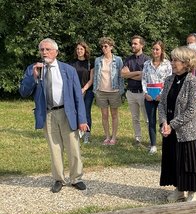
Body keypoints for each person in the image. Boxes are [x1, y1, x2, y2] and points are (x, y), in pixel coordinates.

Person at [19, 38, 88, 193]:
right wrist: (33, 76)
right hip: (48, 114)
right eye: (42, 49)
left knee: (73, 147)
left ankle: (76, 178)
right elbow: (24, 92)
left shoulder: (68, 70)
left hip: (67, 113)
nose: (44, 52)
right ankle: (59, 179)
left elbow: (78, 96)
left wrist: (82, 119)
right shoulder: (34, 69)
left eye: (48, 49)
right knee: (54, 148)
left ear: (56, 52)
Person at [158, 46, 196, 202]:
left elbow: (192, 110)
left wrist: (172, 124)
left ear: (186, 63)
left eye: (175, 60)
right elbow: (162, 104)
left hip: (187, 132)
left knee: (188, 162)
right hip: (170, 130)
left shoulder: (193, 83)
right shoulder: (169, 80)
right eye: (172, 59)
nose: (172, 63)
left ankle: (192, 191)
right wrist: (164, 123)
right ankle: (179, 189)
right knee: (174, 160)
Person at [142, 40, 172, 155]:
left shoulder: (167, 64)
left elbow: (169, 80)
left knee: (164, 120)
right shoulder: (146, 64)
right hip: (149, 95)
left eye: (157, 49)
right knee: (151, 120)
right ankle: (153, 145)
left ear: (162, 51)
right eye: (153, 49)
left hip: (162, 96)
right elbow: (144, 79)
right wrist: (145, 93)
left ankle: (166, 143)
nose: (155, 51)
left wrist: (163, 94)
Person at [93, 37, 124, 145]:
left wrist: (120, 90)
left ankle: (114, 137)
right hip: (101, 91)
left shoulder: (118, 60)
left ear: (111, 47)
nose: (103, 48)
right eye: (102, 46)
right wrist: (95, 89)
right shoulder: (98, 60)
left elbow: (121, 76)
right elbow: (96, 75)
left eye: (105, 46)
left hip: (114, 91)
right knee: (104, 115)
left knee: (114, 115)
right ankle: (107, 136)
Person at [121, 35, 150, 145]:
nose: (132, 45)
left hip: (143, 93)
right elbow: (122, 74)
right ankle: (138, 138)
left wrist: (129, 75)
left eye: (135, 43)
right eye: (132, 43)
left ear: (141, 45)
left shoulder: (147, 60)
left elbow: (145, 76)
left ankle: (151, 139)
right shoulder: (128, 59)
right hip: (131, 93)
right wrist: (138, 73)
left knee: (147, 118)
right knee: (135, 118)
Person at [70, 41, 94, 144]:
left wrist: (83, 89)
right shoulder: (72, 64)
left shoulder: (90, 63)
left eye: (81, 49)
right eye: (78, 49)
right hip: (75, 91)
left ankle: (87, 136)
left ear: (85, 50)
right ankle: (77, 133)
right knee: (75, 112)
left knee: (86, 112)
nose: (79, 51)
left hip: (87, 91)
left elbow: (91, 79)